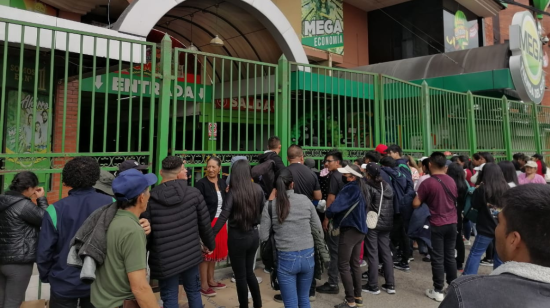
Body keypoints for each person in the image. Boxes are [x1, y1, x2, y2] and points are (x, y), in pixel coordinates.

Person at [37, 157, 128, 308]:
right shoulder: (111, 204)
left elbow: (44, 251)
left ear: (67, 179)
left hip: (63, 281)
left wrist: (48, 276)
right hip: (100, 281)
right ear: (95, 176)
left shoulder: (55, 209)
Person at [439, 184, 550, 308]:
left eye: (499, 222)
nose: (496, 228)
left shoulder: (465, 294)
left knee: (476, 252)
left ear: (513, 240)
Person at [142, 156, 215, 307]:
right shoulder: (193, 194)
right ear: (179, 172)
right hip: (190, 254)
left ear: (161, 172)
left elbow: (146, 232)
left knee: (169, 297)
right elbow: (204, 224)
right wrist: (210, 245)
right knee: (194, 291)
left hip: (165, 259)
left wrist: (146, 255)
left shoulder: (151, 198)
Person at [91, 169, 158, 308]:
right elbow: (140, 288)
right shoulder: (132, 231)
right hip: (119, 304)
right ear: (141, 197)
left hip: (99, 301)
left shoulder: (106, 217)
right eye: (148, 191)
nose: (149, 195)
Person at [260, 168, 323, 308]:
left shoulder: (270, 206)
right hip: (308, 255)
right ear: (292, 184)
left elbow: (263, 236)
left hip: (285, 257)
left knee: (290, 303)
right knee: (304, 299)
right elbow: (319, 230)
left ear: (275, 187)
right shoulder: (305, 200)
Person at [212, 160, 265, 308]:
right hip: (254, 235)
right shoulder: (258, 189)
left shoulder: (234, 192)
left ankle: (244, 306)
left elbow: (224, 215)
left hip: (237, 237)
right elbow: (262, 211)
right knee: (250, 273)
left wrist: (211, 234)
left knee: (241, 276)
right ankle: (258, 304)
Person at [273, 145, 321, 302]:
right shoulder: (311, 173)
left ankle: (287, 293)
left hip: (284, 219)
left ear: (288, 158)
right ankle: (310, 291)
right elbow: (318, 196)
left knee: (287, 263)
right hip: (306, 220)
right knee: (309, 258)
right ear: (302, 157)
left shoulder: (284, 173)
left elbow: (274, 196)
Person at [413, 152, 458, 302]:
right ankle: (453, 287)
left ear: (430, 164)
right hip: (452, 222)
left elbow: (416, 203)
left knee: (437, 257)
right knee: (450, 256)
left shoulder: (427, 182)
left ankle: (438, 289)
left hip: (436, 223)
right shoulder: (451, 180)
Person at [0, 172, 47, 308]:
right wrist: (41, 199)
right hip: (18, 262)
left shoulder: (3, 200)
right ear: (29, 188)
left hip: (2, 258)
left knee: (2, 300)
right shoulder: (23, 206)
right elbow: (46, 219)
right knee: (13, 302)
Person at [325, 164, 368, 308]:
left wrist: (328, 213)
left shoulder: (350, 188)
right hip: (360, 230)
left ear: (352, 177)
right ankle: (358, 297)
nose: (343, 177)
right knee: (354, 264)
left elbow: (336, 207)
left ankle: (350, 301)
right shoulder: (362, 187)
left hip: (350, 230)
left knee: (343, 265)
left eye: (345, 175)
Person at [462, 163, 509, 275]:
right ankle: (498, 277)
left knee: (476, 253)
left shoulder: (483, 188)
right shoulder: (506, 187)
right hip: (502, 226)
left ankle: (468, 277)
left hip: (486, 226)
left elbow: (475, 204)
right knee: (499, 255)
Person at [196, 157, 228, 297]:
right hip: (207, 222)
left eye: (214, 167)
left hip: (220, 223)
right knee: (206, 254)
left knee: (214, 254)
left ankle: (211, 280)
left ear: (219, 168)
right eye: (208, 167)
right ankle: (203, 284)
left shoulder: (223, 183)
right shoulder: (201, 184)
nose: (210, 169)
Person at [362, 163, 395, 295]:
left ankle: (373, 285)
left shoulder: (369, 186)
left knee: (373, 253)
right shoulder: (386, 185)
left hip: (373, 222)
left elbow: (366, 203)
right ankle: (390, 284)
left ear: (368, 173)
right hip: (387, 222)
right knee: (386, 252)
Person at [318, 150, 346, 295]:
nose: (326, 164)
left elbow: (331, 198)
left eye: (329, 161)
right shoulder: (348, 173)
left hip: (336, 218)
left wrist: (326, 218)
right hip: (348, 219)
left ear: (337, 162)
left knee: (333, 250)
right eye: (325, 161)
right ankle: (345, 278)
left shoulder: (335, 176)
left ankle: (333, 282)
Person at [446, 163, 469, 271]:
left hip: (448, 213)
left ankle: (450, 262)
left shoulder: (449, 184)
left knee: (449, 239)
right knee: (458, 237)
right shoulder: (464, 184)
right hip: (459, 213)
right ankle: (459, 262)